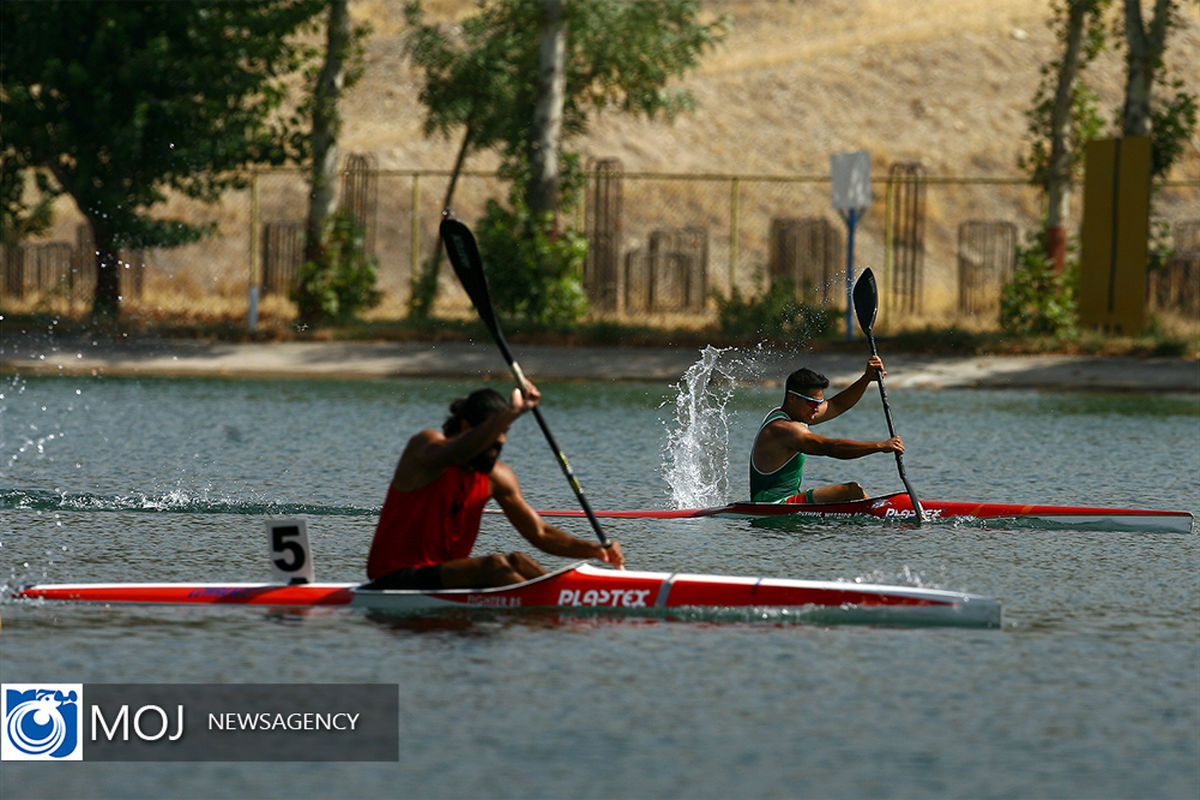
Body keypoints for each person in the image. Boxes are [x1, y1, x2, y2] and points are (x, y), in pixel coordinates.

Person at [364, 382, 624, 590]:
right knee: (494, 565)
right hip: (394, 577)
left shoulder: (497, 477)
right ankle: (550, 611)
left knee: (519, 561)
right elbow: (454, 454)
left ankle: (564, 603)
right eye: (494, 432)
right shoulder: (426, 448)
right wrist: (510, 412)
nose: (501, 441)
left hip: (445, 580)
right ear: (466, 426)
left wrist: (594, 549)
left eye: (506, 431)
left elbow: (541, 533)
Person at [749, 355, 904, 504]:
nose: (817, 409)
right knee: (851, 491)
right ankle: (885, 514)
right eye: (812, 403)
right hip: (773, 504)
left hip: (791, 498)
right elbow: (830, 448)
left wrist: (866, 379)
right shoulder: (784, 429)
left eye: (819, 402)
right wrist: (880, 446)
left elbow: (836, 405)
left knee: (851, 494)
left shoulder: (798, 413)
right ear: (792, 398)